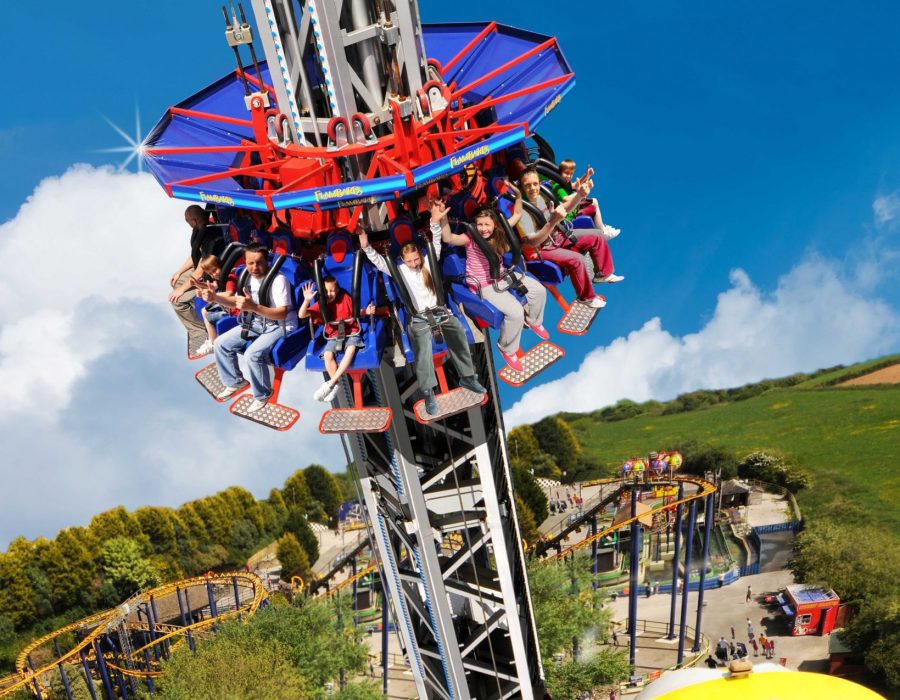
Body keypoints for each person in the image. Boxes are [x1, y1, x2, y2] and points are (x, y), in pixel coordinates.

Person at [359, 200, 486, 415]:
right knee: (423, 351)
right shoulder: (398, 270)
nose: (415, 264)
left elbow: (436, 242)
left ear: (420, 255)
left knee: (458, 337)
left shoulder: (428, 262)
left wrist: (435, 222)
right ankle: (428, 394)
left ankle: (468, 379)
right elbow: (379, 262)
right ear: (403, 260)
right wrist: (365, 246)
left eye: (416, 259)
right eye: (410, 261)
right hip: (418, 318)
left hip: (440, 311)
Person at [441, 200, 548, 372]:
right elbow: (448, 238)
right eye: (480, 224)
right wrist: (443, 218)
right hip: (484, 284)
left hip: (502, 274)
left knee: (539, 290)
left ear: (494, 224)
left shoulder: (499, 232)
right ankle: (507, 348)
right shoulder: (470, 238)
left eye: (487, 225)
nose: (483, 228)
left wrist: (517, 195)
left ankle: (534, 320)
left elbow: (518, 215)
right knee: (515, 312)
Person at [518, 166, 623, 310]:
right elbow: (533, 241)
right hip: (540, 249)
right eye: (527, 185)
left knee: (597, 235)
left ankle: (603, 274)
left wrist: (580, 195)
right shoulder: (523, 211)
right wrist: (552, 222)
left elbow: (564, 209)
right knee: (577, 260)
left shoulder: (542, 198)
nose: (533, 188)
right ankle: (586, 297)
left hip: (557, 237)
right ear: (522, 188)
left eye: (535, 184)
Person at [212, 243, 297, 412]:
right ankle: (235, 382)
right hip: (255, 321)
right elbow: (237, 302)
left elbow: (281, 314)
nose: (255, 267)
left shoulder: (278, 281)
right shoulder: (246, 278)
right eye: (250, 263)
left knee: (252, 355)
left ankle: (263, 394)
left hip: (278, 325)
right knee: (220, 343)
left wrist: (254, 308)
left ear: (267, 261)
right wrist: (214, 297)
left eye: (259, 262)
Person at [298, 276, 375, 403]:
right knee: (328, 355)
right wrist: (307, 300)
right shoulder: (322, 304)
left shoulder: (345, 298)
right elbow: (302, 315)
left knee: (351, 349)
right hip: (333, 334)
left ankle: (331, 383)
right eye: (326, 291)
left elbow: (356, 311)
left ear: (338, 290)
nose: (329, 294)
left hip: (351, 331)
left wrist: (366, 312)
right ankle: (335, 383)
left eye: (332, 291)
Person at [168, 205, 227, 335]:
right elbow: (196, 254)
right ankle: (195, 313)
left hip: (207, 273)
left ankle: (200, 332)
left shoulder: (209, 237)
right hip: (198, 268)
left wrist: (181, 290)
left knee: (177, 301)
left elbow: (200, 272)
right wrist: (179, 272)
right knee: (175, 282)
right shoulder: (199, 230)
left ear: (194, 221)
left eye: (188, 222)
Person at [552, 159, 620, 240]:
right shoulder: (558, 186)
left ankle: (602, 227)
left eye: (571, 174)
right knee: (594, 201)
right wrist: (579, 194)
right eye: (566, 173)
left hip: (574, 210)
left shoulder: (566, 183)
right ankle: (603, 231)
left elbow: (576, 184)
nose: (569, 176)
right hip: (568, 216)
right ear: (560, 172)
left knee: (593, 202)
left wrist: (587, 175)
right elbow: (566, 199)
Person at [194, 254, 239, 356]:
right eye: (210, 273)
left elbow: (229, 294)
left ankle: (213, 343)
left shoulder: (230, 277)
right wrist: (197, 285)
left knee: (207, 314)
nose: (214, 274)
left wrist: (213, 296)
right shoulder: (222, 277)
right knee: (205, 310)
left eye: (214, 270)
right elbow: (214, 286)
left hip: (232, 310)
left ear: (220, 265)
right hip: (228, 306)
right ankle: (210, 338)